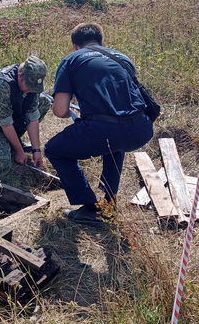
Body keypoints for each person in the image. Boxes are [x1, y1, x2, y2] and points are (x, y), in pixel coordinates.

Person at [44, 23, 153, 226]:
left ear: (76, 46)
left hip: (106, 130)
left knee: (54, 149)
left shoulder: (71, 60)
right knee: (114, 143)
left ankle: (90, 208)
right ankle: (109, 202)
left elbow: (59, 111)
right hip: (142, 128)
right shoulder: (121, 57)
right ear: (102, 42)